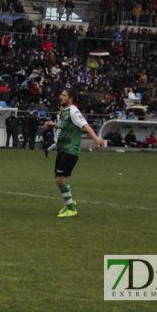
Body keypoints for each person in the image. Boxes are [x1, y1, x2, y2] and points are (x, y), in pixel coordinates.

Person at [43, 87, 105, 218]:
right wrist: (52, 125)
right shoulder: (65, 112)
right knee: (59, 178)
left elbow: (85, 125)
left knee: (60, 178)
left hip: (71, 149)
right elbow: (64, 126)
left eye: (64, 95)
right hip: (63, 148)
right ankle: (69, 203)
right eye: (61, 94)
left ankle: (71, 208)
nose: (61, 97)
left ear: (70, 98)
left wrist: (96, 139)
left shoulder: (73, 111)